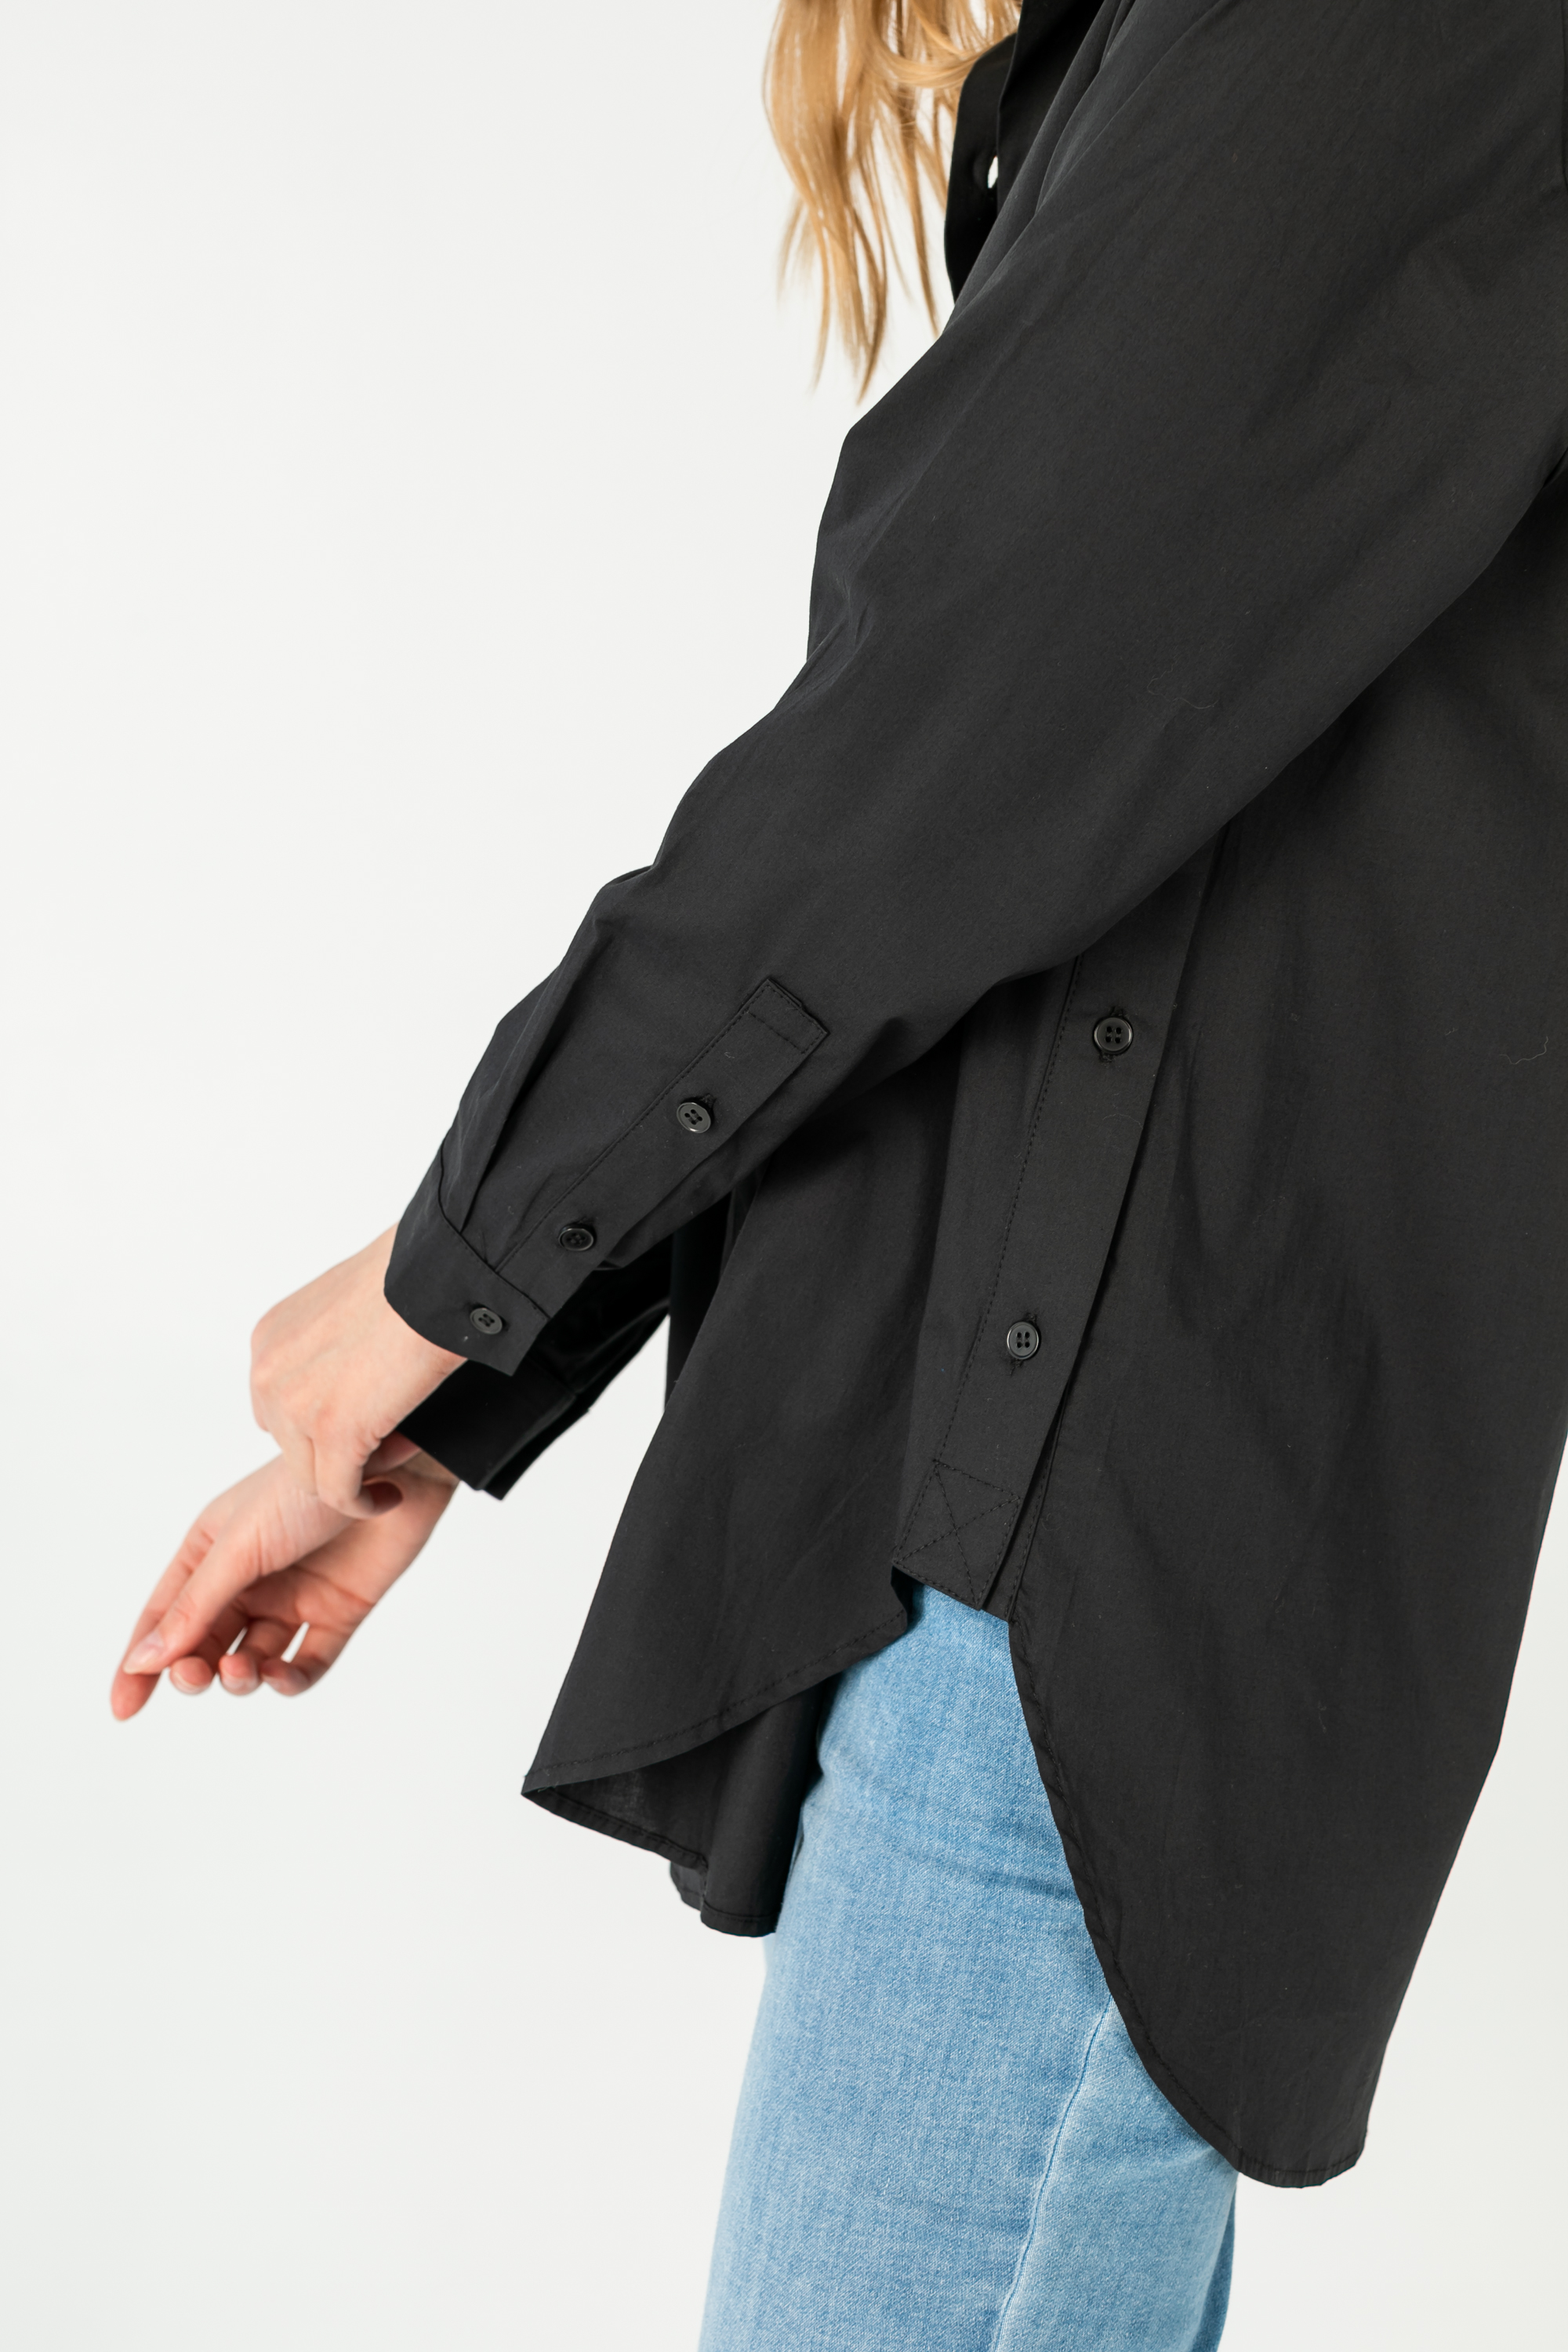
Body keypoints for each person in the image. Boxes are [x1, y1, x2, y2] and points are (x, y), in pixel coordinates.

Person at [113, 0, 1568, 2343]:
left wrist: (459, 1271)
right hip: (1042, 1522)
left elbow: (956, 730)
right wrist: (474, 1360)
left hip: (1097, 1566)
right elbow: (1008, 844)